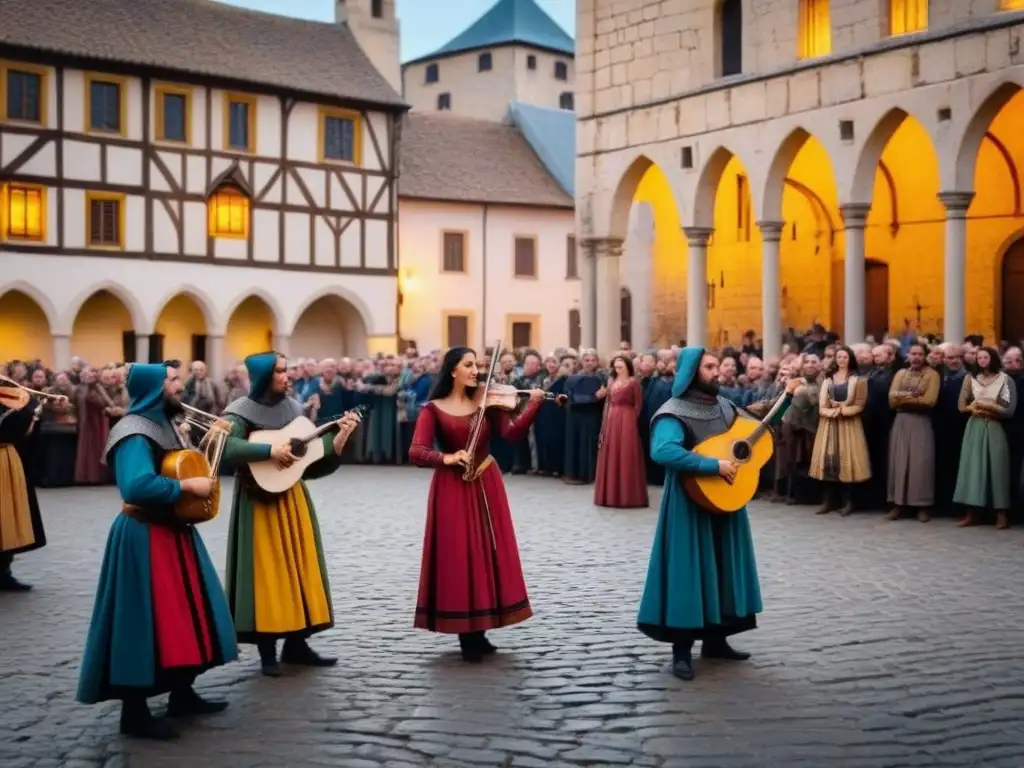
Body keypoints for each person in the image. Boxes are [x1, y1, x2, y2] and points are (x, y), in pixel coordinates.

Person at [77, 362, 237, 740]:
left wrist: (211, 442)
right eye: (172, 381)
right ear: (153, 387)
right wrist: (185, 490)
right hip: (143, 535)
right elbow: (135, 486)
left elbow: (179, 466)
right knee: (141, 621)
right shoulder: (133, 430)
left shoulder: (164, 424)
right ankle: (134, 713)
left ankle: (182, 693)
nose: (180, 386)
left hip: (171, 532)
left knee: (182, 616)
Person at [637, 347, 801, 681]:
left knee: (722, 566)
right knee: (688, 572)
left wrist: (787, 397)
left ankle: (716, 640)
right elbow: (663, 450)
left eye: (716, 366)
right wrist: (712, 465)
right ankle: (681, 650)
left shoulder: (725, 406)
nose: (718, 371)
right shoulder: (673, 411)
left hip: (724, 498)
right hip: (688, 503)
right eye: (709, 367)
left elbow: (756, 430)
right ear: (692, 372)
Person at [219, 351, 361, 676]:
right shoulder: (238, 412)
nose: (288, 376)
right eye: (281, 371)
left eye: (287, 370)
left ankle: (298, 644)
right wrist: (268, 450)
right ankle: (267, 651)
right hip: (258, 503)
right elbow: (225, 448)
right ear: (263, 377)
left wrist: (338, 439)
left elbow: (311, 463)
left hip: (294, 500)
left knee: (299, 570)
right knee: (266, 575)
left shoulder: (295, 411)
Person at [408, 346, 544, 662]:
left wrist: (534, 406)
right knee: (459, 555)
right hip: (451, 488)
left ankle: (481, 629)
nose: (475, 371)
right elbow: (417, 451)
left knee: (487, 553)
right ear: (452, 370)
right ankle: (465, 632)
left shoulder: (488, 401)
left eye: (478, 365)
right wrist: (448, 456)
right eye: (468, 365)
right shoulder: (433, 409)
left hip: (485, 481)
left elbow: (511, 434)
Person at [953, 346, 1016, 529]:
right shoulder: (970, 379)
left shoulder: (1005, 379)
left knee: (998, 469)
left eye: (985, 357)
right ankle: (972, 512)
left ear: (993, 359)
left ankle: (1001, 513)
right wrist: (973, 408)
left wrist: (989, 406)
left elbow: (1009, 409)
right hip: (975, 426)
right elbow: (961, 405)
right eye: (979, 357)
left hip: (994, 425)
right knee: (972, 468)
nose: (981, 360)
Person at [809, 345, 871, 515]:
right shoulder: (828, 379)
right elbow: (822, 404)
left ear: (850, 359)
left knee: (847, 461)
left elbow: (859, 404)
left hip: (848, 425)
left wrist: (842, 410)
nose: (841, 360)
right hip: (829, 425)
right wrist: (830, 412)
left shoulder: (859, 380)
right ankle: (829, 501)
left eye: (845, 357)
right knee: (829, 462)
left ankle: (849, 502)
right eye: (839, 357)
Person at [886, 343, 940, 522]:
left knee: (921, 464)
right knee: (899, 462)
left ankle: (922, 505)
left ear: (925, 356)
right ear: (907, 355)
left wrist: (904, 397)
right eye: (913, 354)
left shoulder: (932, 375)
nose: (916, 357)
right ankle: (898, 504)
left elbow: (929, 401)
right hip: (901, 421)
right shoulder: (900, 373)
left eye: (920, 354)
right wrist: (914, 395)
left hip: (921, 422)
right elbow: (892, 399)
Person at [0, 387, 47, 591]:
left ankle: (3, 571)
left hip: (6, 459)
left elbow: (23, 427)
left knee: (8, 515)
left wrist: (36, 408)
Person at [593, 354, 648, 508]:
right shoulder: (611, 381)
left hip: (627, 418)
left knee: (626, 453)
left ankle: (627, 496)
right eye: (615, 367)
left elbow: (638, 404)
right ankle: (609, 494)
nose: (618, 370)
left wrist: (631, 421)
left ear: (627, 367)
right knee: (611, 452)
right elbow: (607, 403)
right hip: (612, 417)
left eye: (621, 367)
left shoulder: (633, 383)